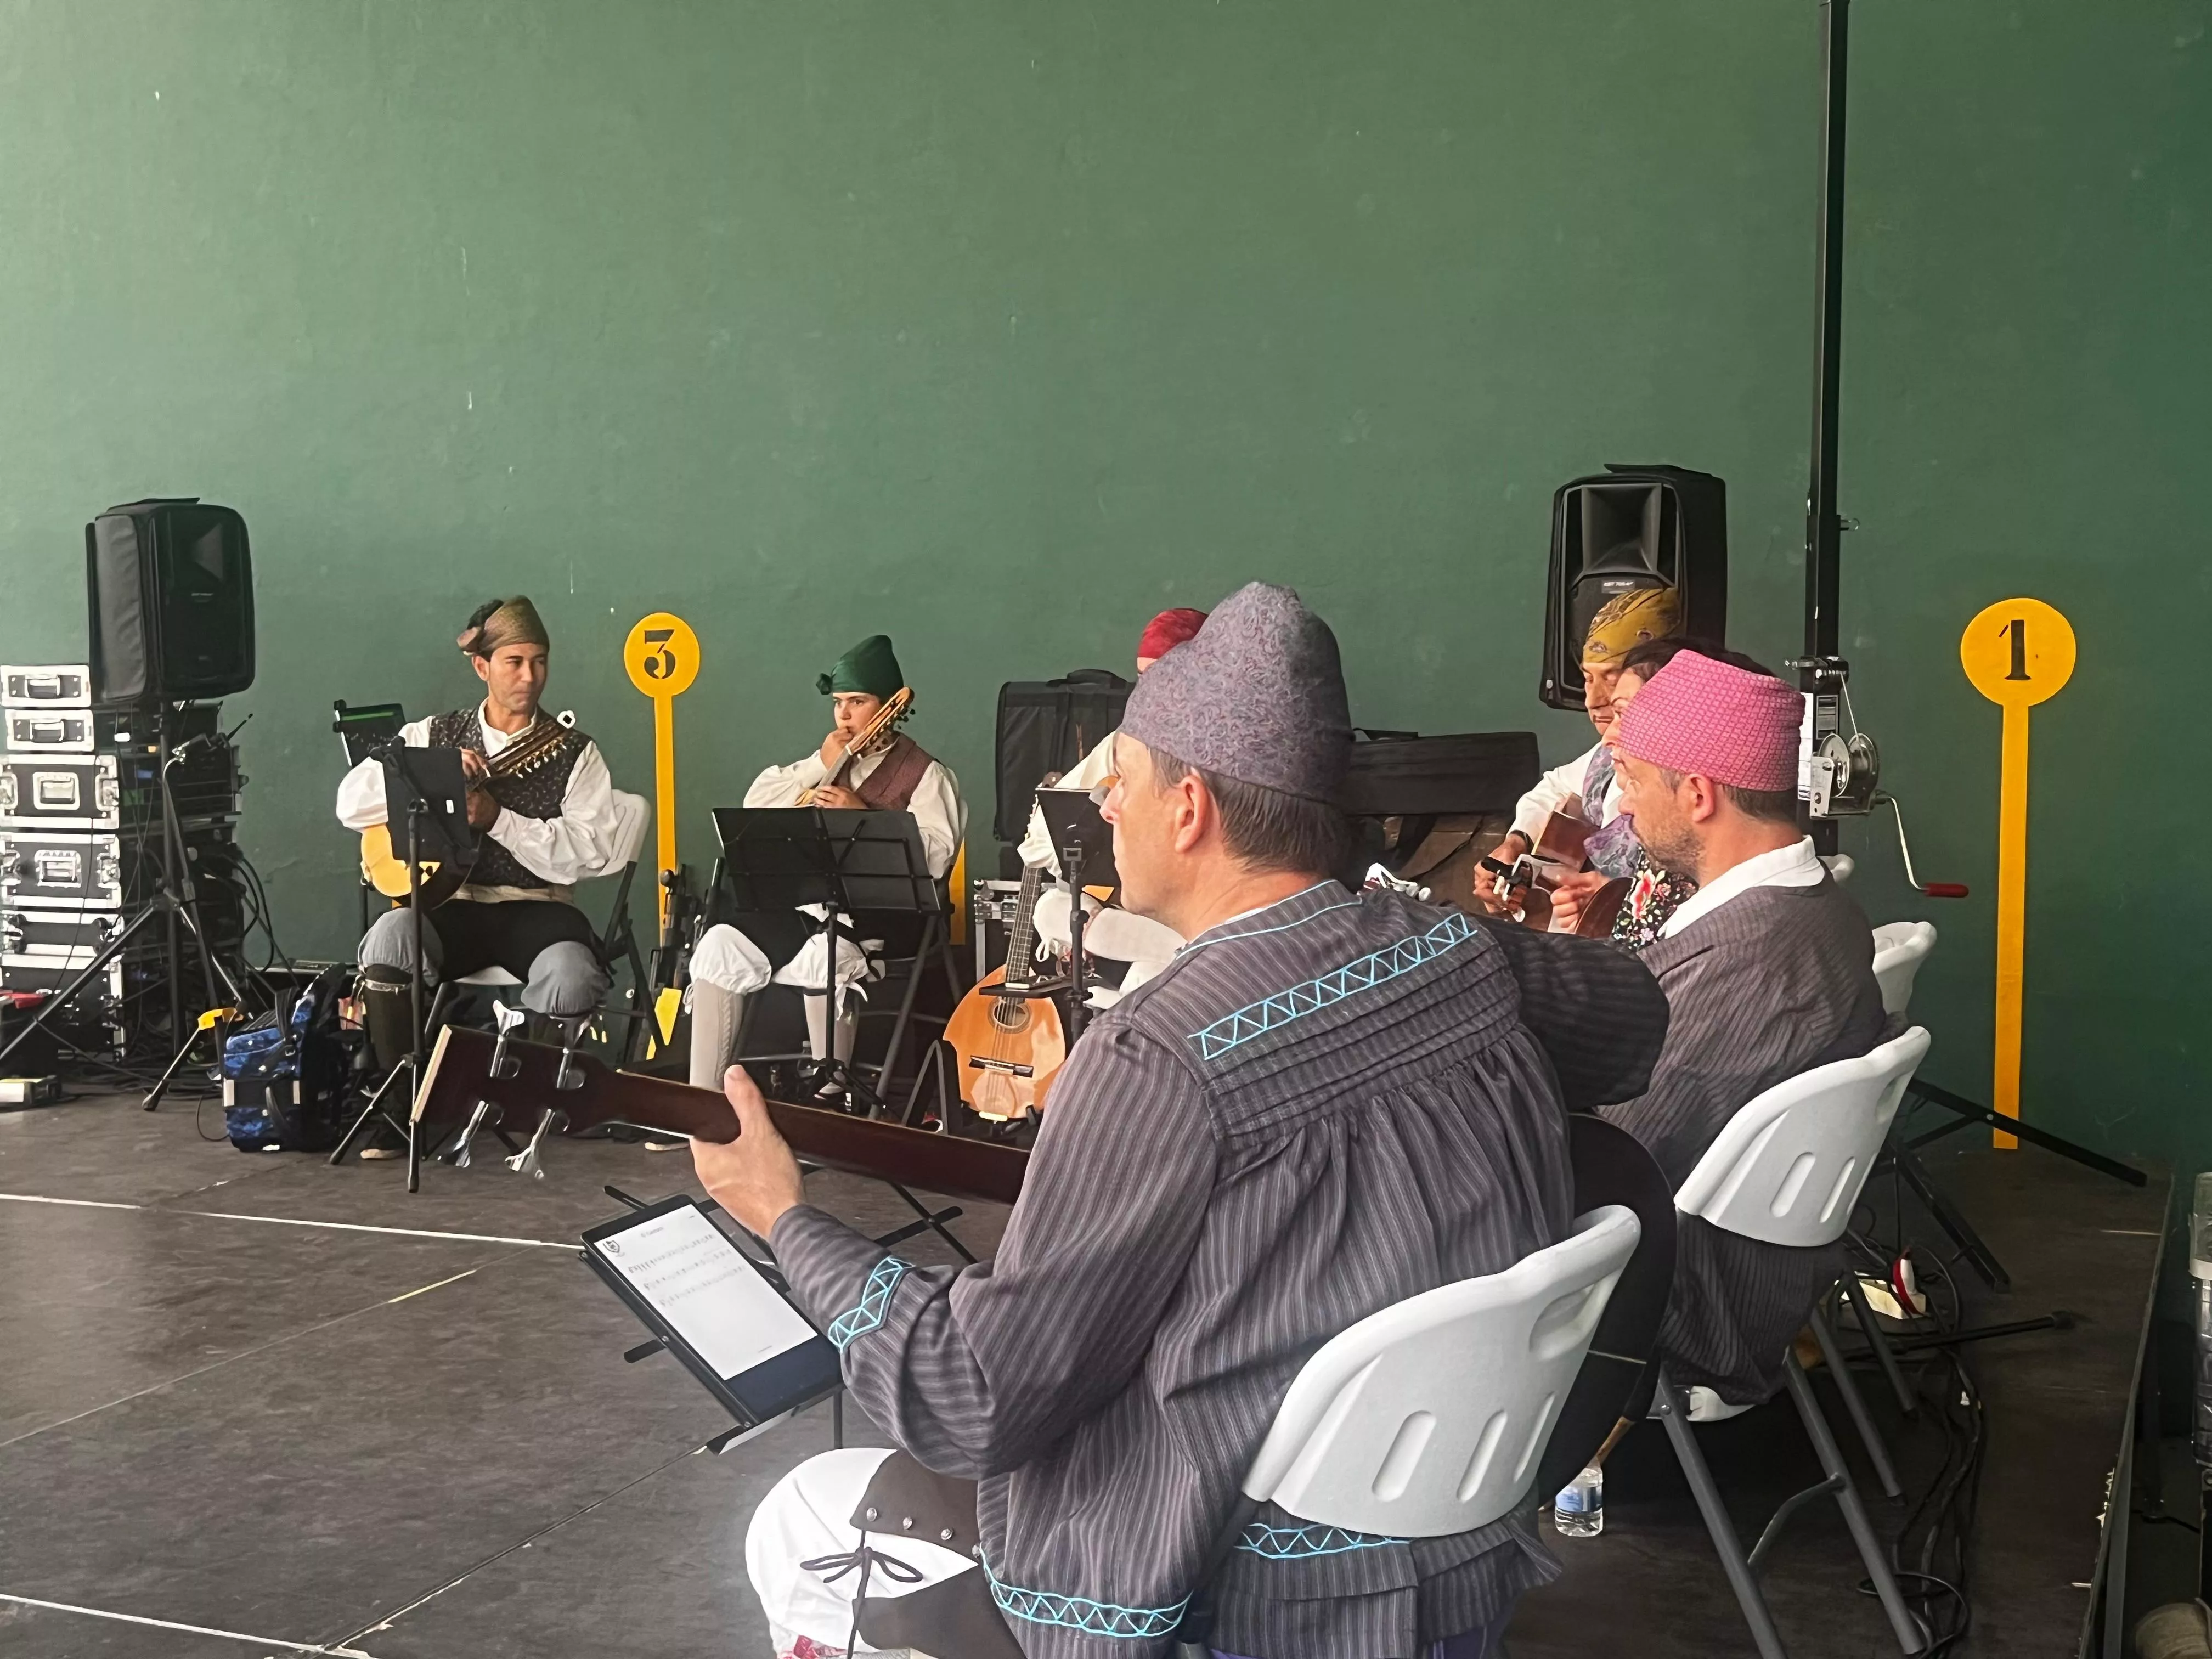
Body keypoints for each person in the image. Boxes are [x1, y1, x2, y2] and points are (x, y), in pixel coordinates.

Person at [697, 583, 1671, 1659]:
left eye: (1122, 784)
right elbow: (1636, 1018)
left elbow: (973, 1400)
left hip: (1239, 1596)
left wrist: (787, 1217)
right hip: (1453, 1564)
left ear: (1192, 807)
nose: (1104, 810)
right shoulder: (1460, 953)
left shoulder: (1156, 1054)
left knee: (798, 1512)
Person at [1594, 648, 1889, 1407]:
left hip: (1682, 1318)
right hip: (1751, 1289)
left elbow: (1608, 1162)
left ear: (1697, 793)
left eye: (1628, 781)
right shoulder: (1822, 911)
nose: (1623, 807)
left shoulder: (1747, 964)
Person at [337, 597, 623, 1108]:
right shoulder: (430, 735)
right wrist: (434, 772)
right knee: (387, 939)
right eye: (514, 662)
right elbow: (349, 805)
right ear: (482, 667)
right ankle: (400, 1103)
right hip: (450, 905)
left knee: (573, 978)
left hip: (537, 909)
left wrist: (497, 819)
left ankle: (532, 1105)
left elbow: (591, 854)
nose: (530, 676)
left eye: (540, 661)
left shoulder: (577, 752)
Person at [685, 634, 966, 1092]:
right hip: (802, 913)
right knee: (721, 943)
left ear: (890, 706)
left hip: (880, 917)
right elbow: (755, 806)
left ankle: (830, 1099)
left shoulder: (927, 775)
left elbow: (934, 856)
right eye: (839, 703)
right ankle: (705, 1103)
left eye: (858, 701)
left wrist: (864, 818)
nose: (846, 714)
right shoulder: (827, 762)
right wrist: (820, 763)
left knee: (826, 954)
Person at [1015, 607, 1204, 1005]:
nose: (1148, 692)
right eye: (1143, 677)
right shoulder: (1126, 740)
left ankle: (1122, 1003)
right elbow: (1041, 842)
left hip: (1193, 913)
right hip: (1125, 905)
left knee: (1159, 963)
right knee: (1051, 908)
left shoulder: (1223, 748)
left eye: (1163, 676)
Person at [1474, 585, 1679, 913]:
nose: (1593, 701)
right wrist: (1518, 843)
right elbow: (1556, 785)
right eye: (1587, 679)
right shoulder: (1604, 751)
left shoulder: (1685, 778)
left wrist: (1615, 897)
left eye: (1611, 679)